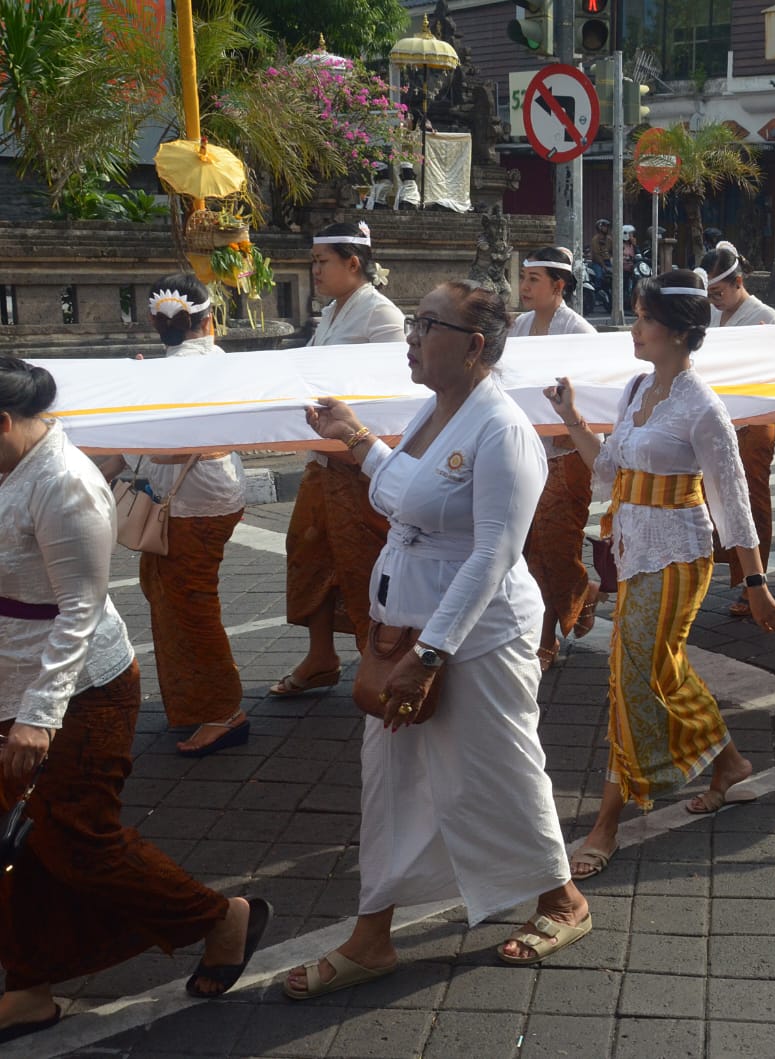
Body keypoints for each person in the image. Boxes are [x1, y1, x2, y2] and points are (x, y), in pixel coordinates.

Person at [285, 280, 590, 995]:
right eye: (415, 322)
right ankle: (372, 935)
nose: (411, 338)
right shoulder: (435, 411)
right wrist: (357, 437)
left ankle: (562, 899)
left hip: (473, 637)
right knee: (389, 781)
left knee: (502, 770)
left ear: (475, 346)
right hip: (406, 631)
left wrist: (431, 655)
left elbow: (492, 553)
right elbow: (403, 486)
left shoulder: (503, 430)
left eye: (428, 325)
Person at [0, 358, 272, 1044]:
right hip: (11, 681)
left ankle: (220, 919)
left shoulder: (65, 484)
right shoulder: (9, 466)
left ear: (2, 422)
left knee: (80, 839)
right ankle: (28, 982)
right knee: (28, 848)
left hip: (80, 692)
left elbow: (80, 610)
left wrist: (38, 716)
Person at [544, 269, 775, 877]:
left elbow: (733, 501)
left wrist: (754, 583)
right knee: (663, 669)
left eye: (644, 318)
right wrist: (572, 418)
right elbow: (611, 466)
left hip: (680, 555)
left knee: (632, 677)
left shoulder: (703, 407)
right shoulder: (634, 390)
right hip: (631, 548)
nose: (634, 327)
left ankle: (606, 824)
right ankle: (729, 765)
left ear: (680, 333)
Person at [94, 278, 248, 756]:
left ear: (153, 324)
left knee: (189, 604)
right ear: (210, 320)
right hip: (210, 495)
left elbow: (154, 446)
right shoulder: (219, 362)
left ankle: (224, 711)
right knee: (175, 596)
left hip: (192, 503)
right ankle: (196, 702)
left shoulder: (165, 372)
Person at [273, 221, 406, 698]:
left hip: (358, 461)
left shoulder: (382, 315)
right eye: (314, 262)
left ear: (354, 263)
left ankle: (380, 657)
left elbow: (389, 397)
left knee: (362, 561)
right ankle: (321, 655)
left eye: (321, 262)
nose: (315, 271)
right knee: (306, 552)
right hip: (323, 458)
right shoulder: (330, 312)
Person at [510, 248, 601, 671]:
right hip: (526, 453)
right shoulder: (519, 327)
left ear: (558, 286)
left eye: (533, 280)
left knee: (553, 548)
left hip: (565, 456)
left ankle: (547, 635)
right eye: (523, 278)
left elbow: (597, 399)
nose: (524, 287)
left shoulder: (579, 333)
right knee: (528, 548)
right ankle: (583, 590)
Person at [704, 242, 775, 616]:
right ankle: (727, 573)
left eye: (718, 293)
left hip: (753, 422)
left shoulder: (766, 318)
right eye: (709, 294)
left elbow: (774, 374)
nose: (714, 300)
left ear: (739, 282)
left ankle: (755, 582)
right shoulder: (709, 314)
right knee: (714, 498)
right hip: (717, 420)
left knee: (752, 500)